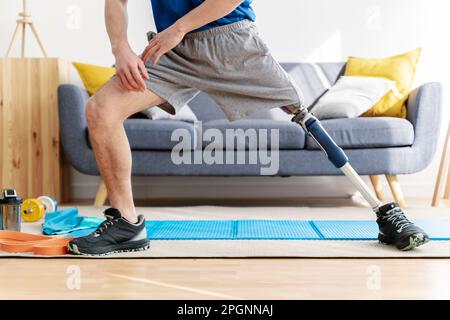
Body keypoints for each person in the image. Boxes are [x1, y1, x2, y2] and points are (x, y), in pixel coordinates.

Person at [68, 0, 428, 255]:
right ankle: (127, 224)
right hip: (172, 52)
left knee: (302, 114)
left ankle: (384, 210)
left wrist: (178, 28)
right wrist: (120, 49)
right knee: (100, 109)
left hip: (231, 42)